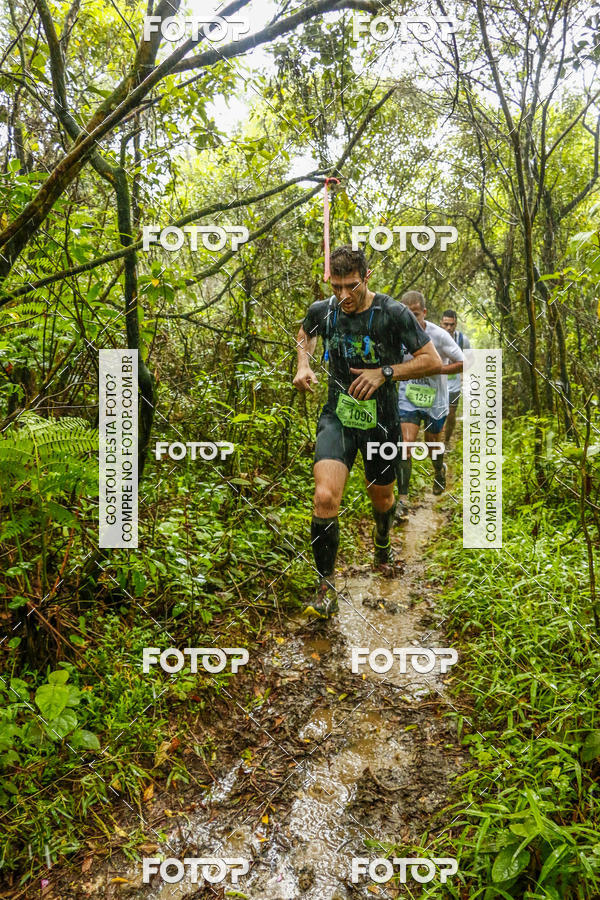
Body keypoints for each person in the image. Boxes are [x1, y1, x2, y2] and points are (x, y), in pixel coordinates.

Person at [293, 246, 442, 618]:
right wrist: (303, 364)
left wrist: (385, 372)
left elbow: (431, 361)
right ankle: (324, 587)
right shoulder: (323, 310)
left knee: (382, 498)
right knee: (325, 496)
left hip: (383, 421)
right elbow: (304, 333)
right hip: (338, 417)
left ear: (367, 277)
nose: (344, 295)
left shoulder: (392, 313)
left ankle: (381, 540)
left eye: (352, 287)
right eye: (337, 286)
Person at [395, 292, 464, 518]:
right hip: (409, 398)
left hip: (435, 399)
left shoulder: (439, 335)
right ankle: (403, 500)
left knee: (432, 446)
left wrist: (436, 369)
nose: (411, 319)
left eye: (415, 314)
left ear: (424, 313)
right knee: (405, 445)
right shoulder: (398, 334)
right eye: (407, 314)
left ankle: (438, 470)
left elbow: (462, 362)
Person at [440, 309, 471, 449]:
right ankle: (434, 442)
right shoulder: (433, 336)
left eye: (451, 324)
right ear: (441, 323)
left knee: (451, 414)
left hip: (453, 384)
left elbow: (471, 360)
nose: (448, 328)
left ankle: (446, 442)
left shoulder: (462, 340)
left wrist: (459, 367)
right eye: (446, 324)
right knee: (437, 413)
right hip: (436, 383)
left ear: (456, 324)